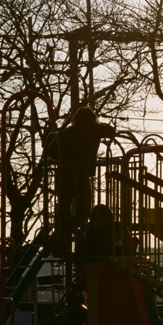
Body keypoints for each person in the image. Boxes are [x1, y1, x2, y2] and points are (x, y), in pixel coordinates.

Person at [47, 107, 117, 254]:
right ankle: (63, 236)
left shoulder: (67, 133)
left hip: (64, 173)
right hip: (81, 174)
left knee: (64, 209)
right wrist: (99, 124)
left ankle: (60, 240)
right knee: (83, 211)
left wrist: (64, 158)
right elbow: (111, 131)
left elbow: (50, 150)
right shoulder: (94, 129)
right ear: (92, 118)